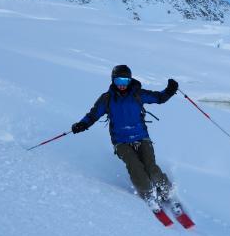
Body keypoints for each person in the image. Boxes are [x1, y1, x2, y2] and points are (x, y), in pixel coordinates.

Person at [71, 64, 179, 214]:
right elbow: (93, 115)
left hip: (142, 137)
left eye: (125, 81)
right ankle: (148, 194)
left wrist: (170, 90)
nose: (122, 85)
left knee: (151, 167)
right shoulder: (107, 99)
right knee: (135, 167)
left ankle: (167, 192)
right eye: (118, 81)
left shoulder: (138, 94)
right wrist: (82, 124)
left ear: (130, 80)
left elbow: (159, 98)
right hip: (121, 142)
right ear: (113, 81)